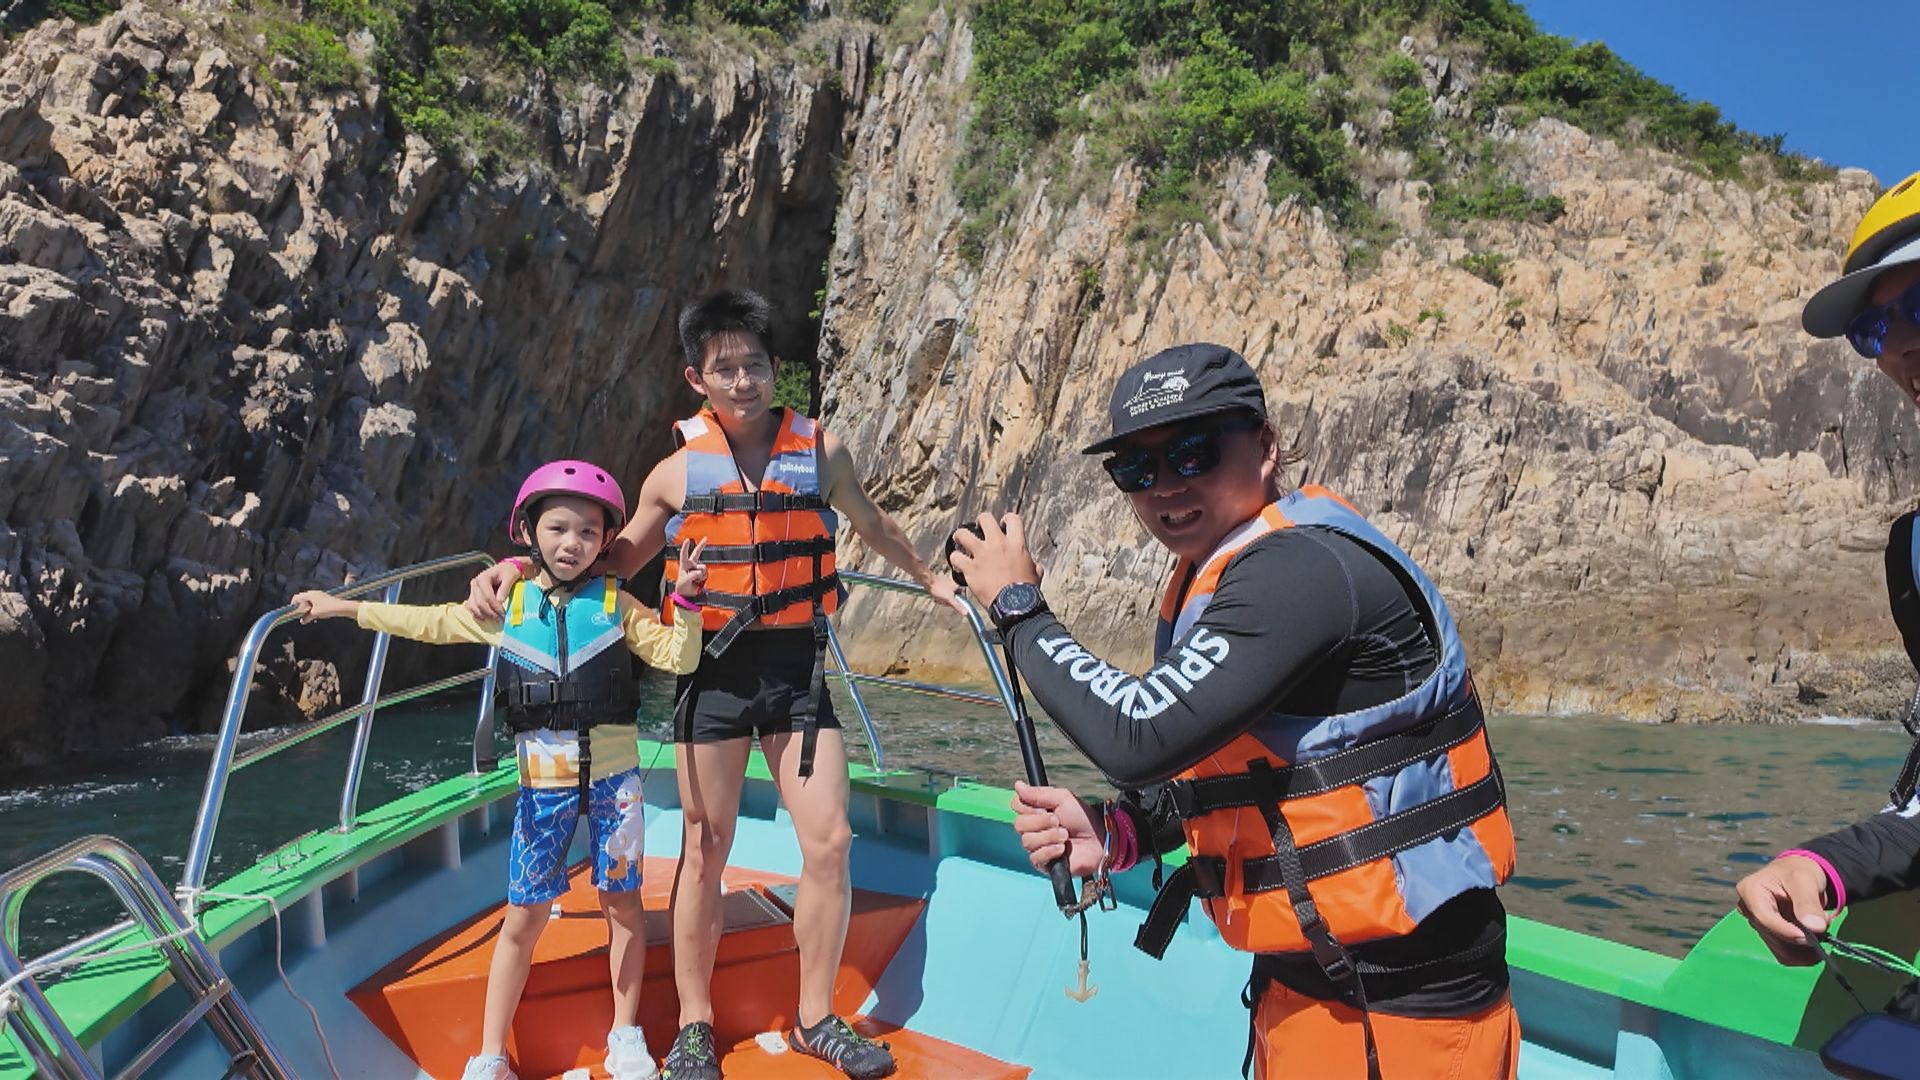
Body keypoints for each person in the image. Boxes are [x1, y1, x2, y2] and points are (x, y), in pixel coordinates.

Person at [950, 343, 1521, 1079]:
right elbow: (1243, 766)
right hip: (1305, 990)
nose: (1165, 487)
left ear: (1266, 447)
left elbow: (1137, 733)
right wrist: (1120, 831)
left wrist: (1019, 609)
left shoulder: (1303, 571)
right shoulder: (1218, 573)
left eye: (1194, 452)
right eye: (1136, 468)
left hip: (1407, 1015)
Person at [462, 289, 962, 1080]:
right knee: (706, 846)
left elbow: (869, 521)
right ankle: (694, 1025)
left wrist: (928, 577)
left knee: (829, 841)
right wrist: (513, 569)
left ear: (775, 371)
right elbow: (608, 557)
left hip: (797, 669)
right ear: (697, 379)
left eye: (755, 366)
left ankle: (816, 1017)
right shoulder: (676, 471)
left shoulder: (821, 452)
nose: (742, 382)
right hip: (713, 673)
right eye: (724, 369)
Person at [293, 460, 707, 1080]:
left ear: (606, 542)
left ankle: (626, 1033)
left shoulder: (618, 605)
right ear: (528, 533)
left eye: (589, 533)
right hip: (542, 790)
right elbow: (427, 624)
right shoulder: (506, 606)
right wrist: (343, 609)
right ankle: (490, 1053)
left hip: (616, 788)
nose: (572, 544)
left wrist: (688, 601)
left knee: (623, 907)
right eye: (558, 529)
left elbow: (678, 655)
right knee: (523, 917)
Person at [1738, 170, 1920, 963]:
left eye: (1919, 303)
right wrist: (1826, 865)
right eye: (1875, 332)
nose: (1902, 345)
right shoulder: (1913, 552)